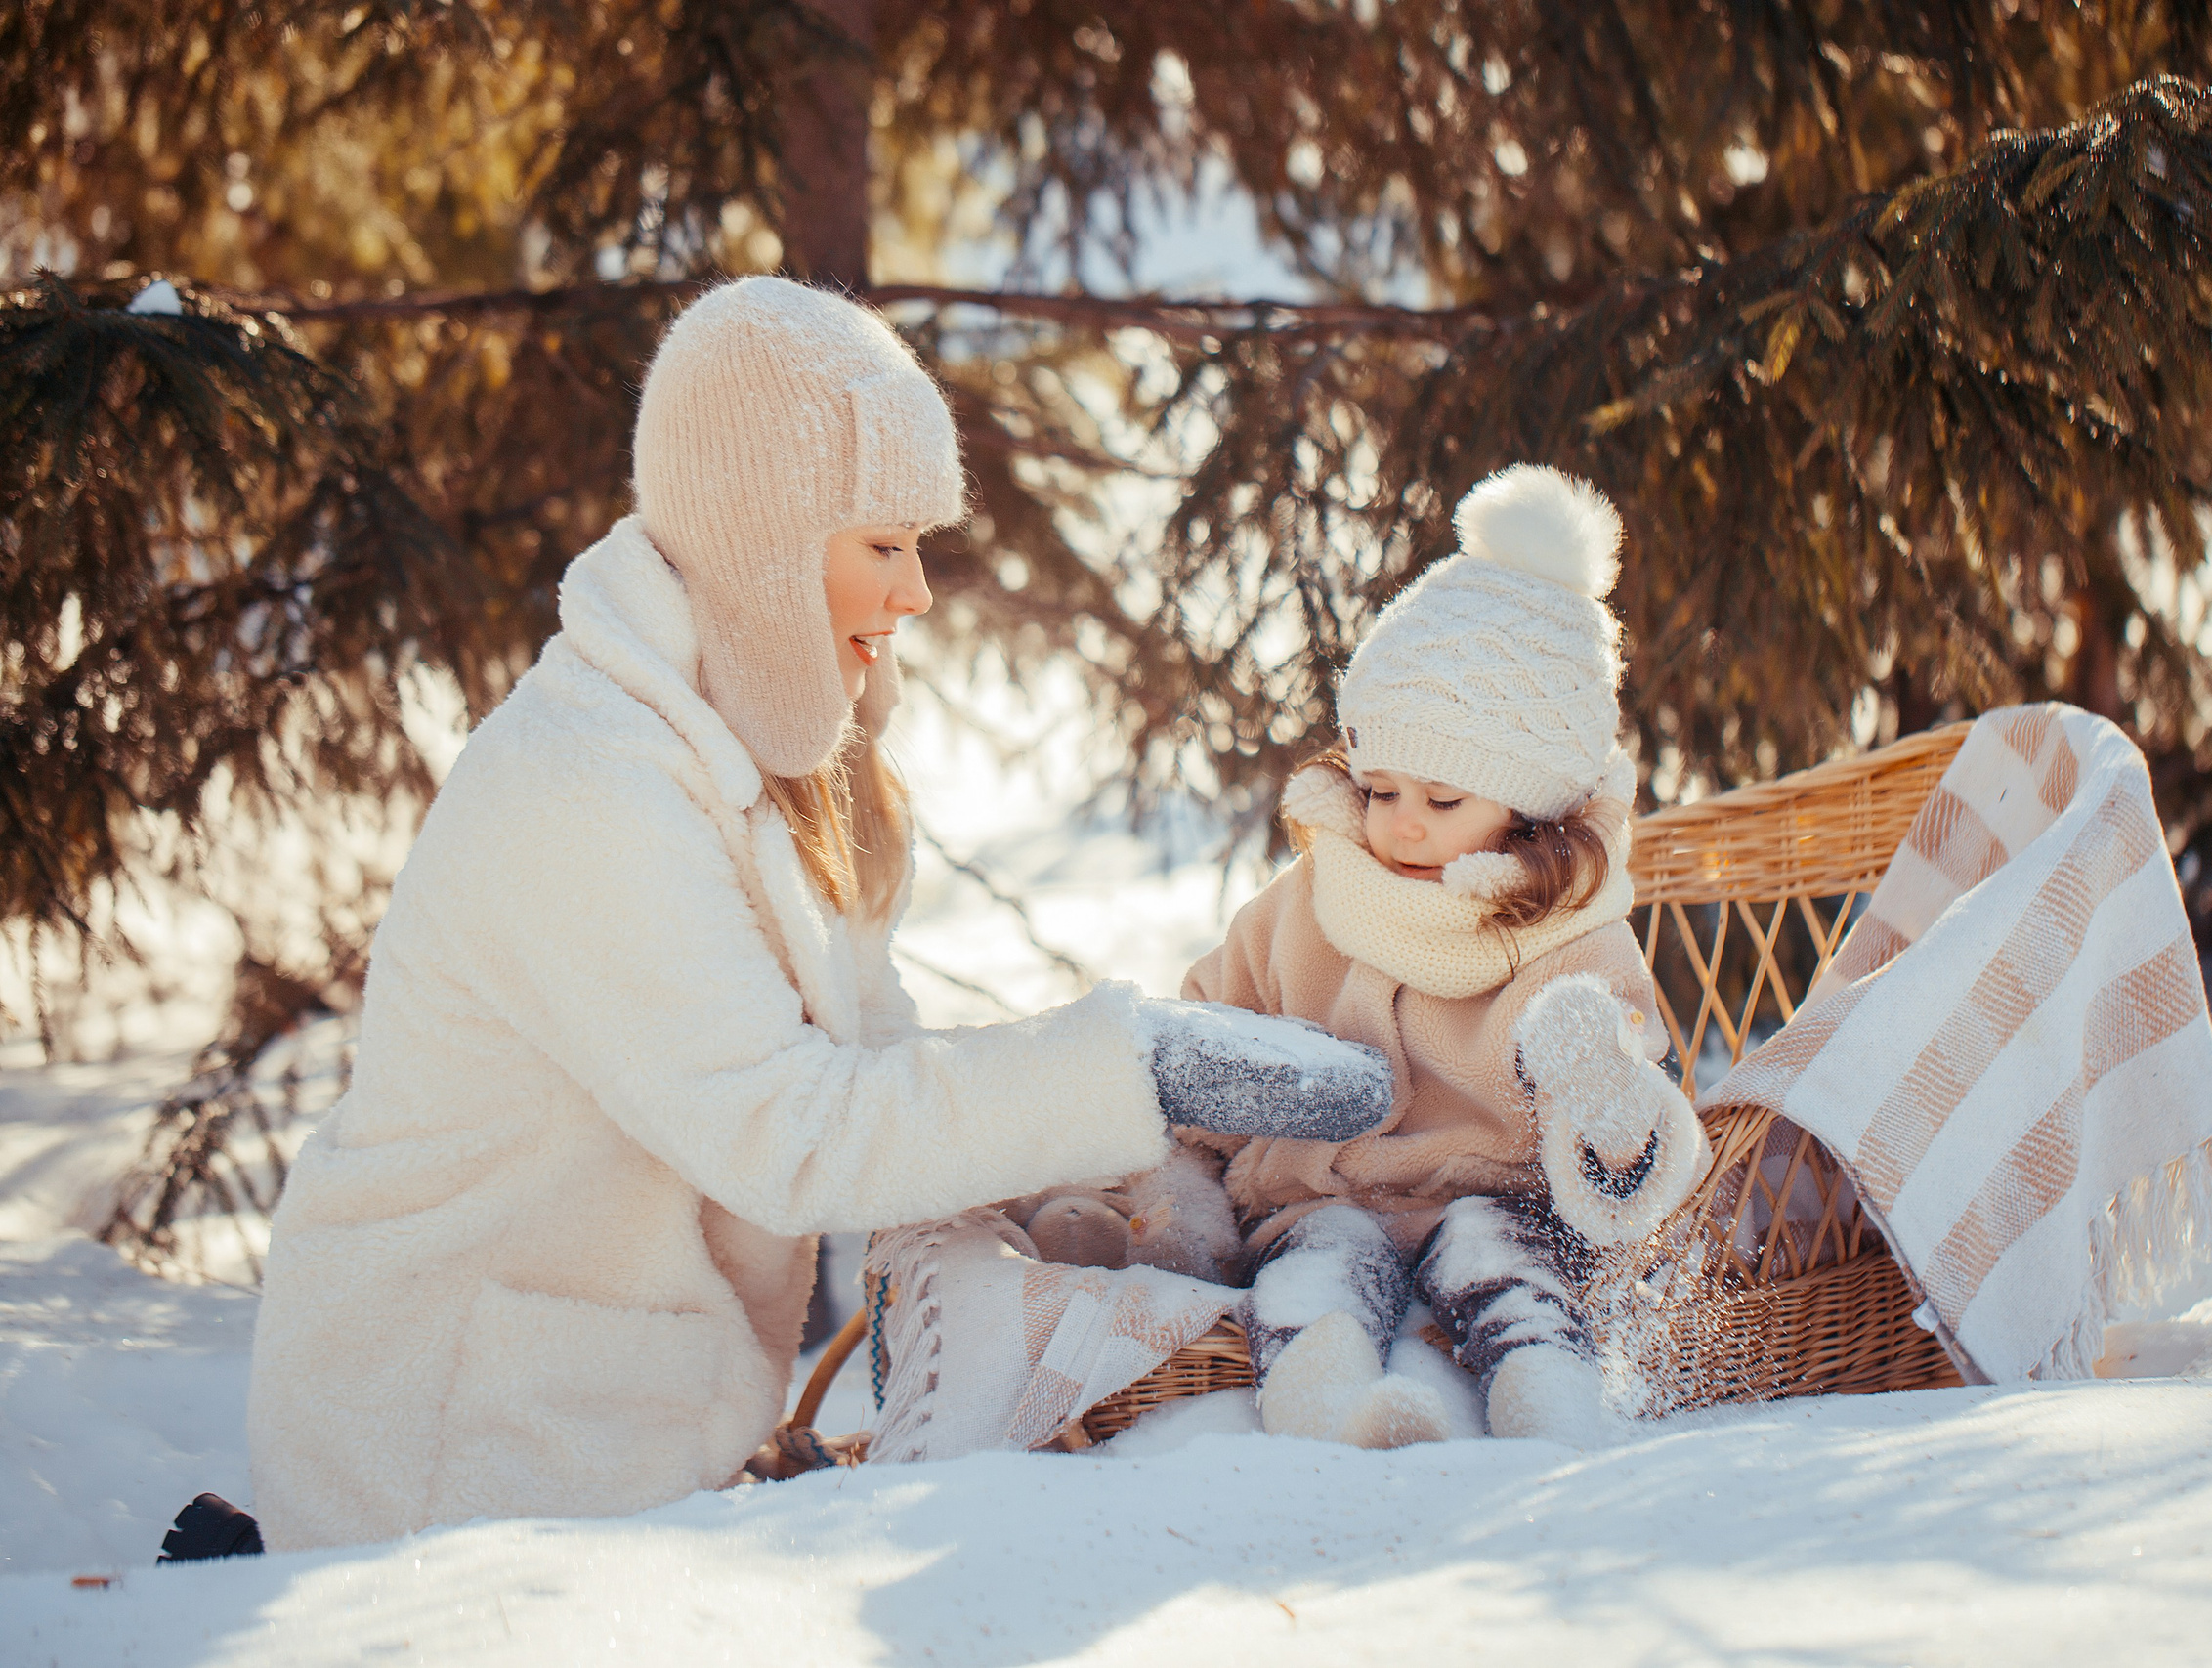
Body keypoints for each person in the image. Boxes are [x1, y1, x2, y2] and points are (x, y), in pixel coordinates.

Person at [244, 278, 1389, 1551]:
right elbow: (793, 1130)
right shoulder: (588, 789)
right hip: (449, 1470)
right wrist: (1131, 1057)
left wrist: (1127, 1151)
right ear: (767, 543)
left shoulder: (743, 747)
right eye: (886, 544)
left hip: (610, 1439)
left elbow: (875, 1067)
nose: (919, 594)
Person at [1172, 464, 1711, 1448]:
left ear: (1526, 803)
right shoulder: (1308, 901)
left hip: (1486, 1198)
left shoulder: (1568, 937)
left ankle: (1546, 1409)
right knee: (1315, 1269)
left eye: (1443, 800)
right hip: (1317, 1197)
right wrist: (1176, 1174)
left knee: (1506, 1266)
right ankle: (1331, 1408)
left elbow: (1629, 1144)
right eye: (1381, 791)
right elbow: (1207, 1030)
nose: (1403, 829)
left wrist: (1601, 1093)